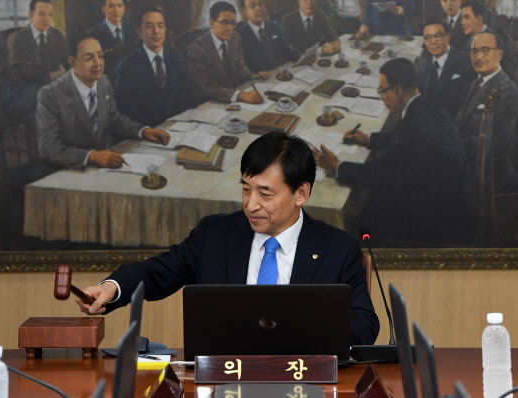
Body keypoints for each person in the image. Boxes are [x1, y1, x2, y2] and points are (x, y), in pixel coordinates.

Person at [75, 131, 380, 346]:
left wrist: (299, 329)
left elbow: (364, 325)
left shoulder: (338, 249)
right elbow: (157, 272)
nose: (250, 204)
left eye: (265, 192)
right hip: (222, 380)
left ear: (301, 192)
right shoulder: (216, 235)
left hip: (303, 381)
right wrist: (110, 289)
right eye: (246, 188)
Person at [314, 58, 471, 246]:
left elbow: (377, 174)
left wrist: (337, 166)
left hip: (435, 215)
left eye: (382, 90)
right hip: (449, 197)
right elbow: (406, 143)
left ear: (397, 90)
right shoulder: (427, 106)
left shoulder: (410, 124)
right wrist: (368, 139)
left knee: (358, 223)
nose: (381, 97)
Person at [36, 35, 170, 171]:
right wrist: (92, 156)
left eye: (100, 56)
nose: (98, 63)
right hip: (70, 170)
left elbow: (112, 117)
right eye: (89, 58)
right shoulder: (50, 94)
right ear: (72, 61)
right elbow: (48, 148)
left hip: (104, 166)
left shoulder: (102, 81)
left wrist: (143, 131)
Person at [114, 7, 198, 127]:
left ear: (165, 29)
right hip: (147, 131)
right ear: (139, 32)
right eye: (149, 26)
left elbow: (189, 97)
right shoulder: (127, 66)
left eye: (160, 26)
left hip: (179, 126)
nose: (156, 31)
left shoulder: (177, 58)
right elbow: (126, 109)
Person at [456, 32, 518, 193]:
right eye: (474, 51)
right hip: (467, 162)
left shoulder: (508, 92)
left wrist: (451, 147)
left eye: (485, 50)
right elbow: (461, 121)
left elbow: (495, 145)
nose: (478, 57)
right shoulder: (478, 82)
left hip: (489, 178)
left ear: (500, 54)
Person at [188, 1, 269, 104]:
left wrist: (254, 76)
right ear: (211, 22)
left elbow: (240, 68)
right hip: (213, 103)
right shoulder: (196, 48)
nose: (230, 28)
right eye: (225, 22)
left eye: (233, 23)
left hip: (237, 97)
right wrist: (239, 95)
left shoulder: (235, 37)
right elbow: (206, 86)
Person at [419, 21, 473, 118]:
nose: (433, 42)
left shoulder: (464, 61)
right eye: (428, 38)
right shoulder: (427, 61)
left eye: (438, 36)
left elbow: (465, 100)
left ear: (448, 36)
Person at [236, 0, 303, 74]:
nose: (259, 8)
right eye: (253, 6)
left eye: (261, 4)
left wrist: (302, 58)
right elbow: (241, 66)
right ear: (244, 12)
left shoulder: (274, 25)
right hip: (257, 79)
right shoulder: (239, 34)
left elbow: (286, 47)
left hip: (277, 74)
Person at [7, 0, 69, 80]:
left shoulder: (57, 35)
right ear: (31, 15)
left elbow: (67, 64)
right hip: (29, 87)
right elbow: (17, 73)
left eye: (50, 15)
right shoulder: (16, 38)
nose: (47, 19)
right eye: (42, 14)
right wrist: (49, 77)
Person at [86, 0, 139, 79]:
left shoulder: (132, 28)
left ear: (124, 8)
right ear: (103, 9)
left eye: (119, 6)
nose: (116, 10)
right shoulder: (93, 33)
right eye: (111, 6)